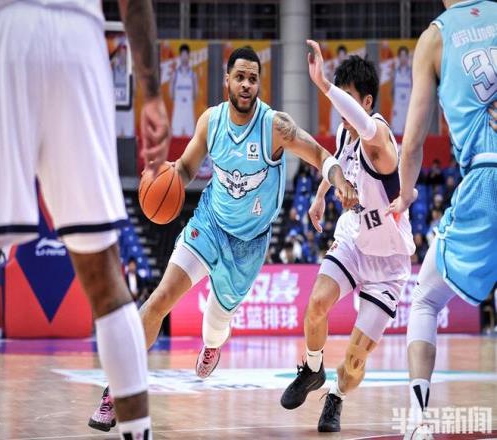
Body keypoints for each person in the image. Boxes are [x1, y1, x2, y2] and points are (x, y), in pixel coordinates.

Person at [88, 46, 358, 432]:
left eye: (253, 79)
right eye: (240, 77)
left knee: (214, 325)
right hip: (209, 224)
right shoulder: (211, 122)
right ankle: (117, 390)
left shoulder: (274, 126)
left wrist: (340, 180)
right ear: (226, 80)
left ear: (259, 84)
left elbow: (318, 154)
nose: (246, 84)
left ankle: (212, 344)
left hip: (248, 246)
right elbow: (185, 169)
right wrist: (163, 178)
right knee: (159, 300)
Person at [0, 1, 170, 439]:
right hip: (79, 42)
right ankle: (139, 433)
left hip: (9, 29)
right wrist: (151, 93)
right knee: (103, 270)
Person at [280, 41, 415, 433]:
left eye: (347, 99)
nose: (340, 110)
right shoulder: (345, 133)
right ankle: (313, 369)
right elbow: (337, 161)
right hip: (355, 240)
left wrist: (323, 85)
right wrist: (321, 196)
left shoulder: (380, 139)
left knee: (355, 362)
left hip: (388, 262)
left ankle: (336, 396)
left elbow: (366, 126)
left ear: (366, 101)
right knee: (316, 304)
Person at [386, 0, 497, 436]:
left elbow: (413, 142)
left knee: (425, 301)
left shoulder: (435, 38)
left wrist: (405, 194)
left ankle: (418, 422)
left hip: (486, 178)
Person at [170, 43, 198, 137]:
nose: (184, 57)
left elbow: (195, 94)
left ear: (188, 56)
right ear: (180, 56)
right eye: (182, 55)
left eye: (186, 55)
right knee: (176, 137)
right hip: (178, 112)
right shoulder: (175, 74)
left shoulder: (193, 75)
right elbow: (171, 94)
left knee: (190, 138)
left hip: (189, 111)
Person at [391, 46, 413, 136]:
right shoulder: (394, 73)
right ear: (399, 58)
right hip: (398, 106)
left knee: (410, 132)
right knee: (396, 131)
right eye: (401, 56)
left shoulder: (412, 73)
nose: (403, 58)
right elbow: (392, 91)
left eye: (405, 56)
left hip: (408, 106)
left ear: (407, 57)